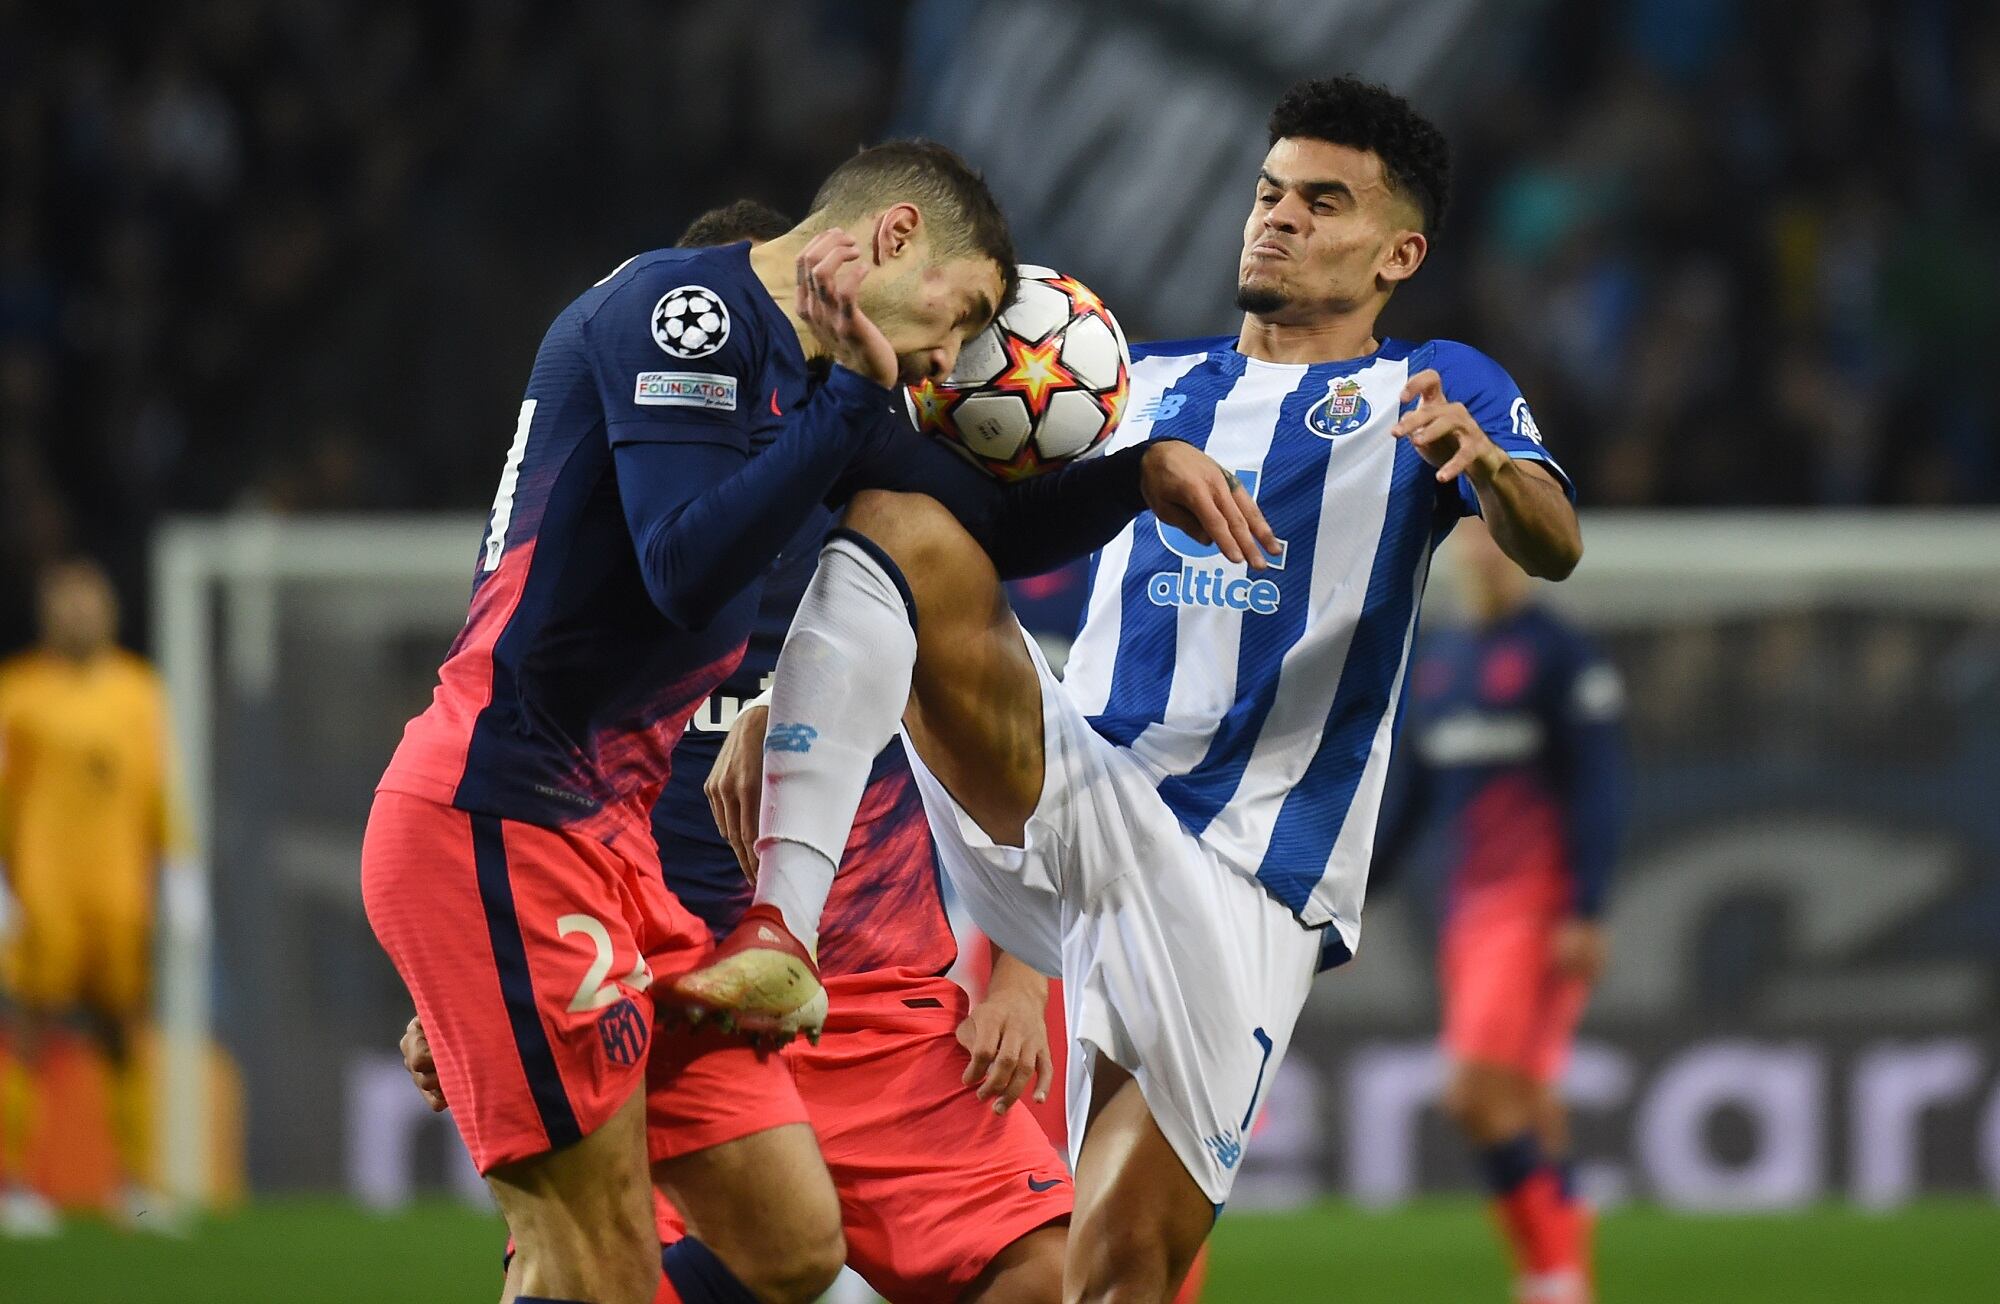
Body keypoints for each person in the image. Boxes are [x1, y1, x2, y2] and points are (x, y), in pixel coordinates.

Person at [681, 75, 1583, 1300]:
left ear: (1398, 251)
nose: (1278, 220)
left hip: (1245, 874)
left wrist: (1487, 470)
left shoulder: (1428, 388)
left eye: (1323, 205)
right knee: (898, 515)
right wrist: (794, 680)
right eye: (1270, 194)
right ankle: (779, 924)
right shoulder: (1121, 383)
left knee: (1113, 1269)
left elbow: (1551, 541)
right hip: (1083, 783)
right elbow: (951, 548)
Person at [362, 137, 1250, 1304]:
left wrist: (1138, 477)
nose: (958, 354)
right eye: (967, 307)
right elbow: (682, 569)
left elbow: (973, 525)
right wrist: (847, 408)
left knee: (790, 1241)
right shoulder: (684, 311)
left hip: (621, 856)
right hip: (510, 805)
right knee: (603, 1261)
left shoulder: (811, 384)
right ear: (893, 238)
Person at [1375, 520, 1626, 1304]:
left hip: (1538, 905)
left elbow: (1598, 786)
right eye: (1473, 538)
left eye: (1497, 540)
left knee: (1474, 1094)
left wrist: (1586, 907)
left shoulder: (1559, 653)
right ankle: (1557, 1272)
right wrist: (1347, 893)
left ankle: (1553, 1273)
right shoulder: (1441, 662)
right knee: (1525, 1101)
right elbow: (1410, 801)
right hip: (1467, 909)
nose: (1484, 552)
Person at [0, 560, 181, 1235]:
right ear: (47, 614)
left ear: (110, 610)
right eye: (66, 603)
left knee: (123, 1036)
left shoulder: (140, 693)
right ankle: (16, 1186)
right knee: (26, 1034)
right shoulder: (17, 695)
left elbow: (161, 792)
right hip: (43, 894)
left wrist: (180, 875)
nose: (79, 615)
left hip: (118, 896)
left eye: (90, 602)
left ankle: (134, 1186)